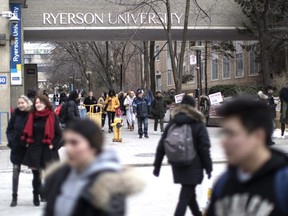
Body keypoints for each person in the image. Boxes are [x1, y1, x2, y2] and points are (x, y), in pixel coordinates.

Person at [44, 119, 145, 216]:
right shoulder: (58, 176)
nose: (68, 149)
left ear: (93, 146)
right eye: (67, 142)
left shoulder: (108, 185)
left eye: (74, 143)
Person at [206, 97, 288, 216]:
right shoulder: (223, 184)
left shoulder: (283, 183)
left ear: (258, 136)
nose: (223, 141)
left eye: (231, 133)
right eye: (222, 133)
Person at [153, 95, 212, 216]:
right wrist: (208, 167)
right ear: (194, 107)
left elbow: (162, 145)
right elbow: (204, 148)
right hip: (194, 165)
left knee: (190, 195)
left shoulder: (173, 122)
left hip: (177, 165)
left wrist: (157, 166)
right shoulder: (197, 123)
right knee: (184, 198)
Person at [21, 95, 62, 206]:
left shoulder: (52, 116)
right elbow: (24, 132)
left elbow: (59, 135)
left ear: (45, 103)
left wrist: (53, 145)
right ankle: (36, 194)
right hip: (34, 150)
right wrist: (26, 142)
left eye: (40, 102)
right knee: (36, 176)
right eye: (36, 102)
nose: (38, 104)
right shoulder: (31, 116)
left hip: (48, 150)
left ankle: (47, 193)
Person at [6, 95, 33, 207]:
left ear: (27, 104)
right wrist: (11, 141)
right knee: (15, 173)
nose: (21, 105)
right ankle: (14, 197)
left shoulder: (31, 115)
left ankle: (39, 193)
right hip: (17, 148)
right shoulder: (15, 115)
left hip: (29, 148)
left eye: (23, 103)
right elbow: (9, 130)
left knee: (36, 172)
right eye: (19, 103)